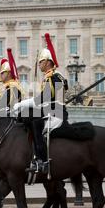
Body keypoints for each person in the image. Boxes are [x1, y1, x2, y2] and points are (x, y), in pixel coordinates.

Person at [14, 33, 69, 174]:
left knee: (35, 123)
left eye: (41, 62)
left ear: (48, 62)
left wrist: (21, 104)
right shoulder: (52, 77)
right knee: (23, 116)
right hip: (50, 110)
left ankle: (42, 160)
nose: (39, 64)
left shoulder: (53, 77)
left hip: (55, 112)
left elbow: (43, 100)